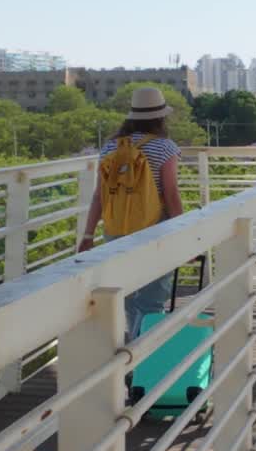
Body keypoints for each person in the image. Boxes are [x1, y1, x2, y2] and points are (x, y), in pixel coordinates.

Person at [79, 87, 184, 341]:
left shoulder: (110, 148)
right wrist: (184, 230)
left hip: (116, 231)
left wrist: (88, 234)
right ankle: (141, 361)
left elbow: (99, 195)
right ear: (160, 117)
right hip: (154, 231)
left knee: (126, 296)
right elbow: (170, 194)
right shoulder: (164, 147)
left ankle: (128, 356)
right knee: (152, 300)